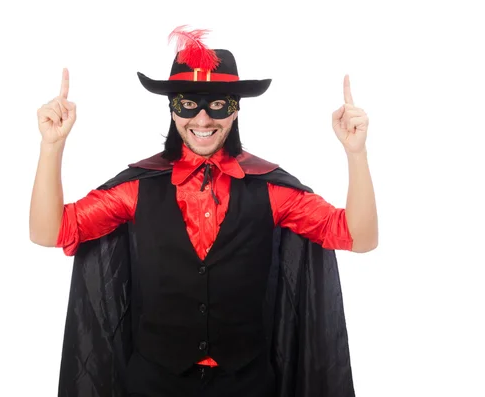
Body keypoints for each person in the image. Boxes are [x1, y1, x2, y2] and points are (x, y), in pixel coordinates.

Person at [29, 26, 377, 397]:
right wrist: (52, 146)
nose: (203, 120)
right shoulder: (137, 188)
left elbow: (359, 238)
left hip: (246, 384)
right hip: (154, 383)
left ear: (235, 109)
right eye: (188, 104)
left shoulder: (272, 189)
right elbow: (51, 232)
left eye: (218, 105)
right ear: (172, 108)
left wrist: (356, 153)